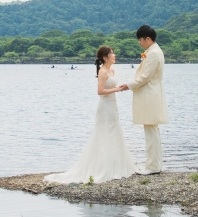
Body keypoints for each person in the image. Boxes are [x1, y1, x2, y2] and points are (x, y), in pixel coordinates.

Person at [45, 46, 136, 184]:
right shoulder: (102, 71)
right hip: (105, 106)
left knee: (114, 132)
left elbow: (111, 88)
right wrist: (116, 89)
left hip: (113, 105)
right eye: (112, 53)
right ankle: (103, 167)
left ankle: (116, 165)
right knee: (105, 133)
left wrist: (119, 88)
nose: (114, 55)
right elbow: (100, 91)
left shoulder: (112, 70)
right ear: (105, 57)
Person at [127, 24, 168, 174]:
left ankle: (152, 166)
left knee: (151, 130)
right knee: (152, 130)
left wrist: (128, 85)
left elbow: (146, 76)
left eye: (141, 40)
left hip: (150, 94)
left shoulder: (153, 53)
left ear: (148, 39)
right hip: (152, 93)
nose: (140, 43)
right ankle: (154, 165)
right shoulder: (154, 51)